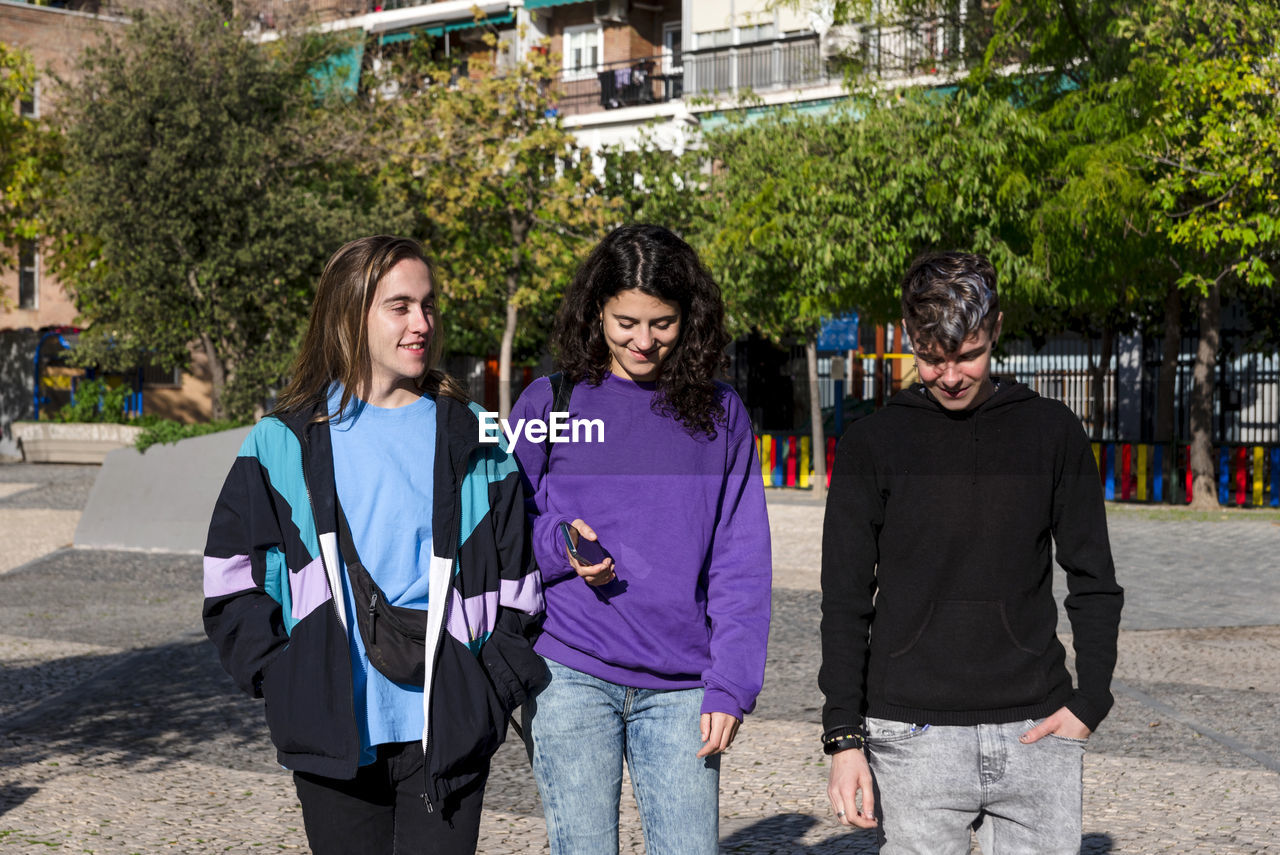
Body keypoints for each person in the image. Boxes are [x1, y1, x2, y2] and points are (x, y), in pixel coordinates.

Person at [202, 235, 545, 855]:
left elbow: (519, 581)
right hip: (334, 730)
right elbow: (230, 580)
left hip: (449, 727)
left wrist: (491, 686)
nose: (423, 323)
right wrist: (286, 677)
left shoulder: (477, 440)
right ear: (350, 315)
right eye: (400, 306)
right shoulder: (283, 443)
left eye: (429, 305)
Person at [820, 251, 1124, 854]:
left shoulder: (1052, 433)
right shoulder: (871, 444)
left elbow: (1092, 580)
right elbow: (846, 599)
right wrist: (843, 737)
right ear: (910, 339)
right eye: (931, 358)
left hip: (1037, 730)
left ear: (997, 330)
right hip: (911, 733)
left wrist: (1091, 701)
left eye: (967, 354)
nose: (951, 374)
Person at [510, 224, 773, 855]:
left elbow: (742, 557)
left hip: (684, 686)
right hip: (567, 670)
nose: (644, 341)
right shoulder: (551, 401)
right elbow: (499, 525)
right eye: (626, 321)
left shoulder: (722, 412)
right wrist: (559, 546)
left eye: (663, 322)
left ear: (691, 319)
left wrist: (731, 683)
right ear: (596, 310)